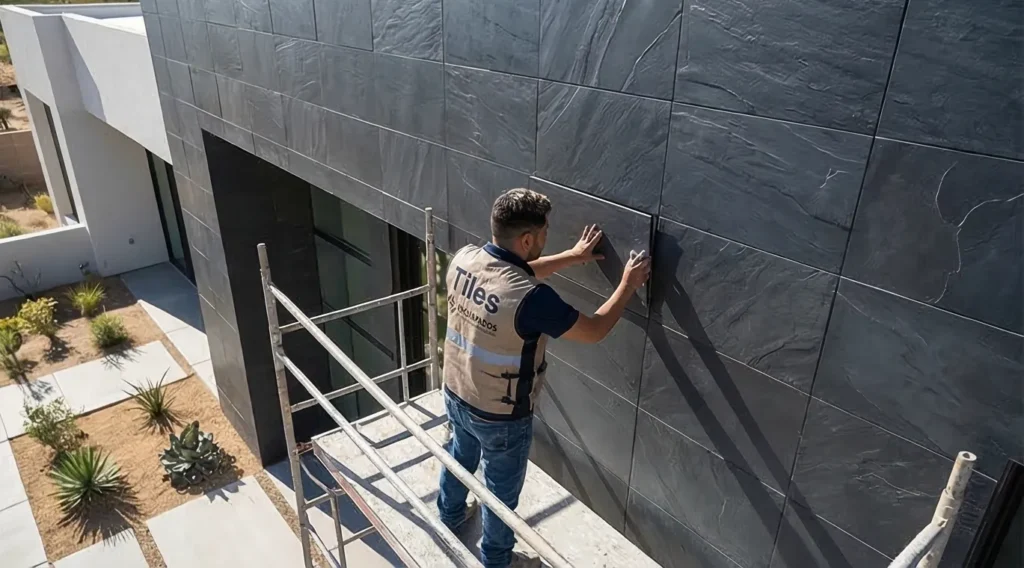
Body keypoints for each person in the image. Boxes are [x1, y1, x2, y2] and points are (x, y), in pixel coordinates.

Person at [437, 188, 651, 567]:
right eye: (544, 232)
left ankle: (450, 514)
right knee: (500, 495)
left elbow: (509, 275)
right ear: (527, 239)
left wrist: (571, 257)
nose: (547, 236)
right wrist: (628, 285)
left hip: (456, 390)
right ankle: (497, 560)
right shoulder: (532, 299)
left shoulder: (465, 259)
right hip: (500, 415)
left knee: (460, 454)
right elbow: (595, 329)